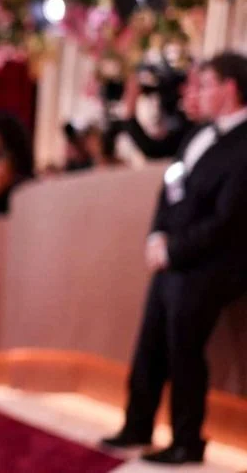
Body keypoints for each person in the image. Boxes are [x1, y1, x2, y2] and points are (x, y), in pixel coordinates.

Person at [101, 52, 247, 465]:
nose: (197, 92)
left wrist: (174, 248)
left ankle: (187, 440)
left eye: (206, 84)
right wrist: (156, 235)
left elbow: (229, 221)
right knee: (150, 343)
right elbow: (170, 188)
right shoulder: (199, 133)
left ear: (230, 87)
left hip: (212, 264)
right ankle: (137, 425)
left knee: (184, 348)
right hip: (173, 259)